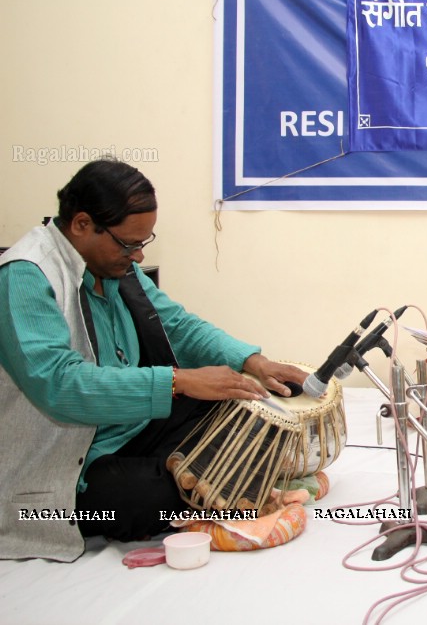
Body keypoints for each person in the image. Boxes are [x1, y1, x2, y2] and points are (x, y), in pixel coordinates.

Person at [0, 159, 308, 562]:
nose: (139, 254)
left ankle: (210, 485)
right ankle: (209, 487)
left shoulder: (112, 262)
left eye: (144, 242)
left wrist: (253, 362)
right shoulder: (25, 276)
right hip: (68, 461)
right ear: (81, 224)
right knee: (140, 499)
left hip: (128, 427)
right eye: (129, 244)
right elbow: (58, 384)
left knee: (243, 410)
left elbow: (176, 326)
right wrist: (177, 382)